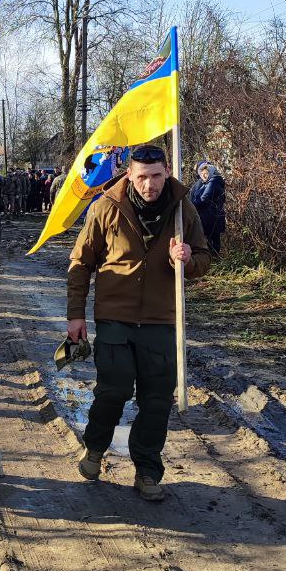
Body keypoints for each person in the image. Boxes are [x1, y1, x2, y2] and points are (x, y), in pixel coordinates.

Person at [67, 143, 211, 501]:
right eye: (143, 177)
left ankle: (147, 470)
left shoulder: (183, 209)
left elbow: (205, 259)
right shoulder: (105, 207)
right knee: (113, 389)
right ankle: (96, 447)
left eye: (157, 176)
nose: (150, 185)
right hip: (115, 314)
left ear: (167, 172)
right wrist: (75, 315)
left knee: (157, 399)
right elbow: (81, 263)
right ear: (130, 174)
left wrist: (188, 259)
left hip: (162, 319)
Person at [190, 161, 227, 254]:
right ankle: (210, 261)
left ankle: (212, 261)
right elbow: (193, 195)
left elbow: (204, 198)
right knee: (209, 241)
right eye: (202, 173)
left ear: (210, 172)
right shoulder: (203, 183)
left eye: (206, 173)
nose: (204, 175)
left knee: (212, 242)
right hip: (207, 216)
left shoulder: (214, 181)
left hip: (212, 217)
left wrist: (190, 206)